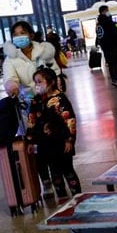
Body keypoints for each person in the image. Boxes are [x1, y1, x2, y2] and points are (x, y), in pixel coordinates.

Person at [26, 67, 82, 204]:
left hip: (61, 142)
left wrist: (70, 140)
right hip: (45, 144)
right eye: (36, 82)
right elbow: (31, 120)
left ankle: (79, 198)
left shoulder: (60, 99)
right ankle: (62, 200)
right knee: (54, 172)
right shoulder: (36, 100)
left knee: (68, 170)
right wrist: (30, 140)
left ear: (50, 82)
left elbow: (70, 120)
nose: (37, 85)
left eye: (40, 82)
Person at [2, 20, 58, 98]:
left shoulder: (44, 51)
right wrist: (12, 87)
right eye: (15, 35)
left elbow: (55, 72)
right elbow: (10, 77)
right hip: (28, 99)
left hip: (50, 96)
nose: (19, 37)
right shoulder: (10, 59)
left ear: (31, 35)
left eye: (22, 33)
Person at [96, 4, 117, 87]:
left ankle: (114, 79)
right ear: (104, 11)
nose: (108, 12)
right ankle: (114, 79)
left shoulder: (98, 24)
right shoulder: (107, 22)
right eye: (107, 10)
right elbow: (115, 32)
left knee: (110, 63)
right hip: (113, 45)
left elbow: (99, 35)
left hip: (105, 47)